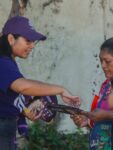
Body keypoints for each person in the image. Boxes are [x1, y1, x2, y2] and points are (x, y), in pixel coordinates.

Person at [0, 16, 80, 150]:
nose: (32, 46)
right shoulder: (2, 62)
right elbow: (22, 86)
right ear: (11, 39)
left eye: (33, 42)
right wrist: (60, 90)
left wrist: (24, 111)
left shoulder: (9, 63)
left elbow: (7, 100)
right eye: (28, 40)